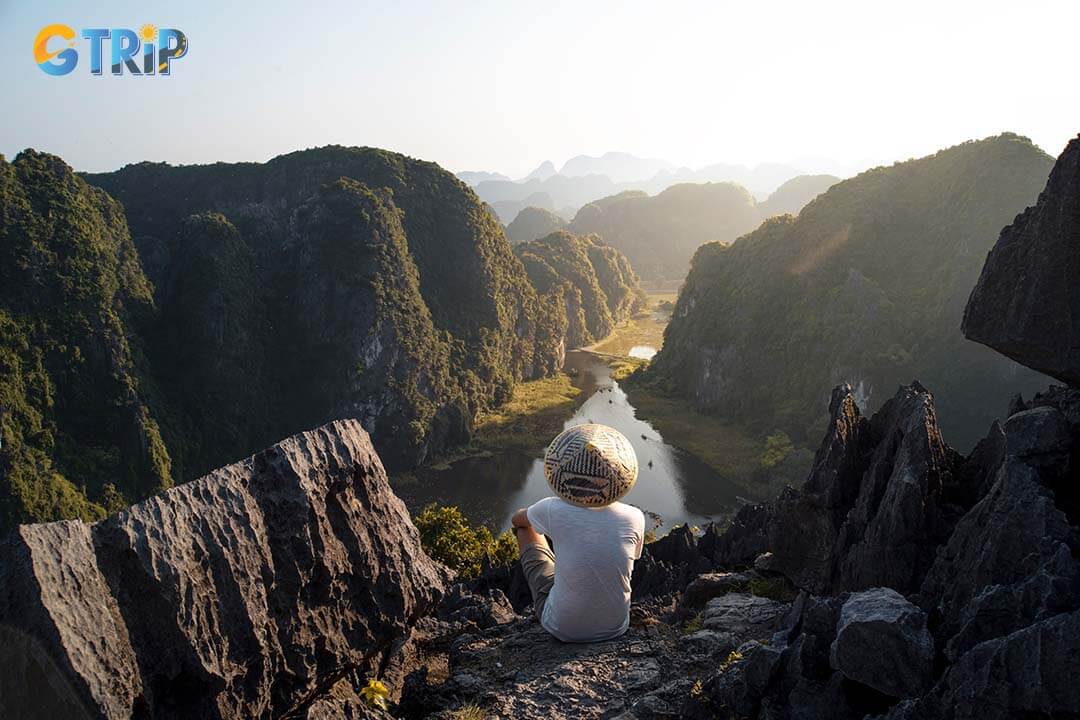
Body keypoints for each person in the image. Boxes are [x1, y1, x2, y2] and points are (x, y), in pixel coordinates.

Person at [511, 423, 645, 642]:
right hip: (616, 628)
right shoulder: (635, 516)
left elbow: (517, 519)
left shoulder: (552, 508)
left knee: (525, 528)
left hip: (562, 628)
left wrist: (533, 518)